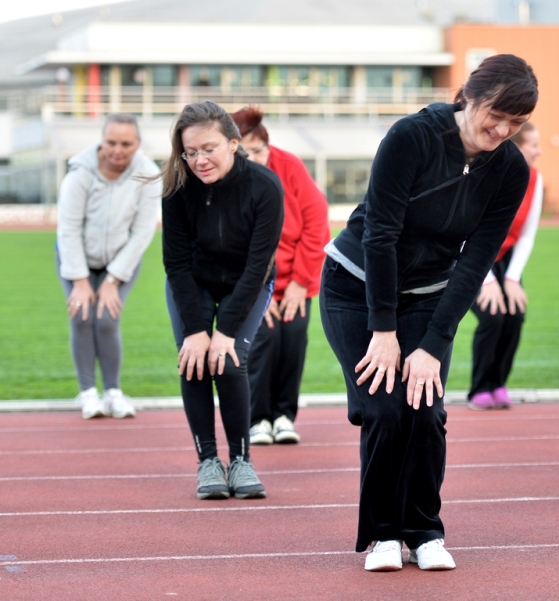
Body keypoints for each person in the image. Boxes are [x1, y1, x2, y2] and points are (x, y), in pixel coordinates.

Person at [319, 54, 537, 572]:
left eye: (517, 123)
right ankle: (383, 535)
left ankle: (423, 530)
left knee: (425, 408)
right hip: (357, 288)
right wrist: (385, 330)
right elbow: (380, 235)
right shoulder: (411, 137)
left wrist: (433, 344)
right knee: (383, 409)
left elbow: (477, 260)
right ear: (469, 95)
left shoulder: (510, 170)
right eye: (496, 115)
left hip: (430, 296)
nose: (503, 130)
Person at [161, 101, 284, 500]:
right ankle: (208, 463)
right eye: (190, 152)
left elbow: (257, 265)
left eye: (209, 148)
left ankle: (242, 461)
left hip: (247, 282)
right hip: (193, 280)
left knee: (229, 362)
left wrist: (226, 331)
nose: (199, 160)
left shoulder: (265, 186)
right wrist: (196, 331)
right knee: (193, 361)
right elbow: (175, 263)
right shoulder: (177, 187)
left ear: (233, 143)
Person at [230, 107, 330, 445]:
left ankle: (284, 415)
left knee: (294, 338)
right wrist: (260, 293)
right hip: (253, 282)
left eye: (260, 150)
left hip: (296, 280)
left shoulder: (290, 167)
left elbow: (316, 224)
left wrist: (300, 283)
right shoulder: (230, 179)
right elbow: (234, 243)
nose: (255, 158)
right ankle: (257, 418)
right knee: (262, 341)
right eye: (246, 152)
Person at [56, 114, 161, 419]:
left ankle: (113, 392)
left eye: (126, 144)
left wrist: (113, 279)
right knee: (82, 317)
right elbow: (68, 229)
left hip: (122, 259)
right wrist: (79, 280)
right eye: (111, 142)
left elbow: (142, 233)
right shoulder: (79, 173)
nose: (118, 150)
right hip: (76, 257)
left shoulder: (148, 174)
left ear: (138, 144)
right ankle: (88, 393)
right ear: (101, 141)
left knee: (106, 319)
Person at [468, 121, 543, 410]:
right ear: (515, 147)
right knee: (492, 314)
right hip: (472, 254)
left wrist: (511, 279)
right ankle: (479, 389)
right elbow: (467, 235)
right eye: (533, 145)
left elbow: (527, 234)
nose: (539, 151)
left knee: (514, 313)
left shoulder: (535, 179)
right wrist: (487, 282)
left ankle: (498, 383)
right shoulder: (484, 177)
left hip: (506, 257)